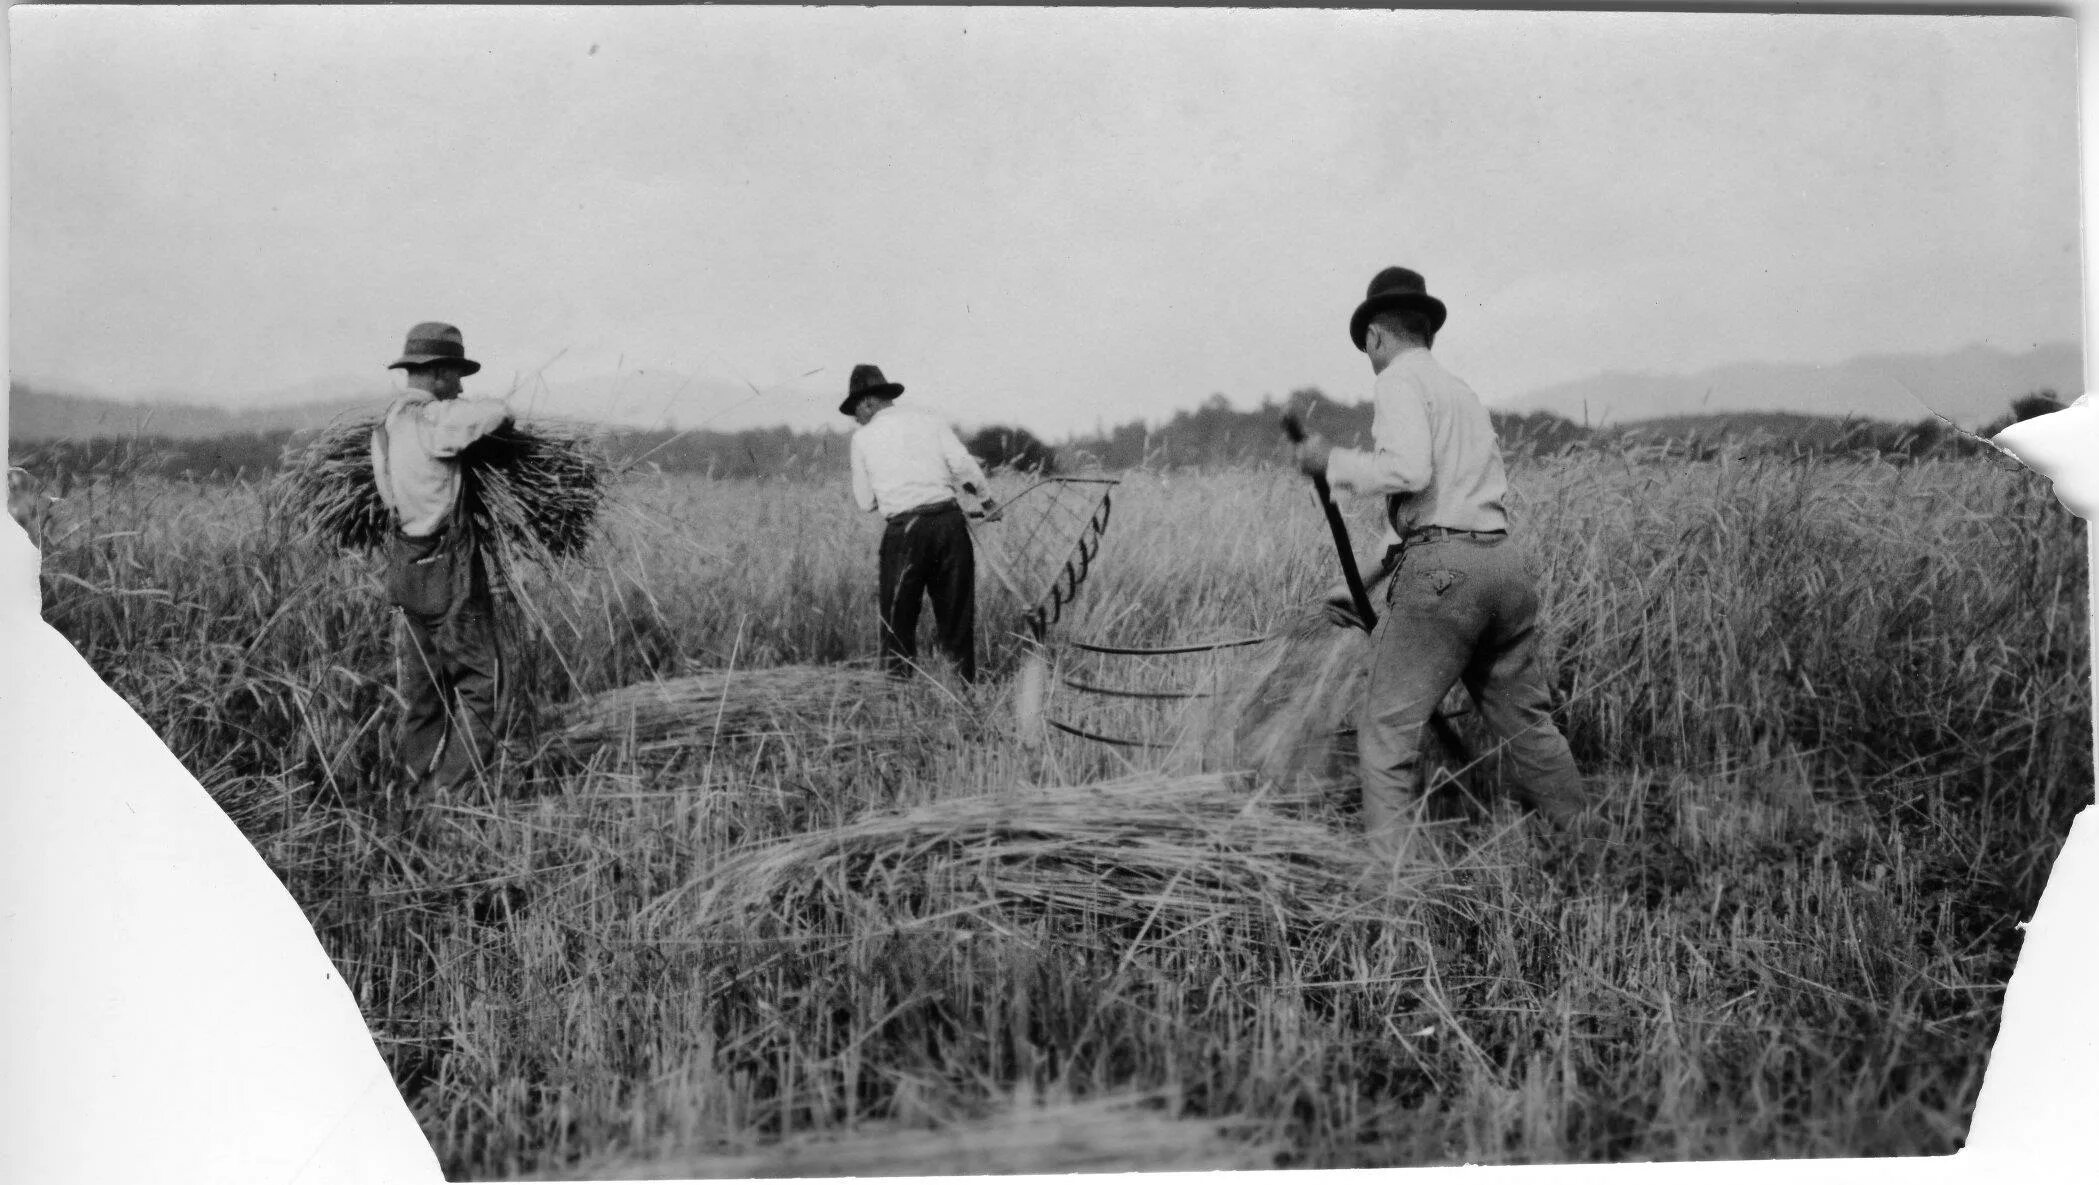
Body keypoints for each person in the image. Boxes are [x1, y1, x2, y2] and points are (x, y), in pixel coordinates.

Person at [1291, 268, 1591, 856]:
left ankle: (1391, 889)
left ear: (1377, 336)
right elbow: (1430, 509)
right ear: (1427, 328)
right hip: (1503, 568)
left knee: (1385, 735)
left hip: (1445, 579)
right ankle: (1590, 849)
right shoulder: (1460, 392)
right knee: (1529, 726)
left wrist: (1331, 461)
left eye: (1368, 347)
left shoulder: (1399, 381)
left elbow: (1408, 474)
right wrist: (1361, 585)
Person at [370, 322, 514, 805]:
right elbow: (496, 415)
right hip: (446, 568)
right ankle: (446, 794)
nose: (460, 386)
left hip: (406, 567)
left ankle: (407, 794)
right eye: (455, 375)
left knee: (425, 693)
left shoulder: (387, 425)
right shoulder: (430, 421)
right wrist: (483, 412)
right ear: (435, 373)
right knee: (485, 687)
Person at [843, 364, 1001, 682]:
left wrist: (898, 492)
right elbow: (962, 465)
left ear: (868, 403)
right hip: (949, 527)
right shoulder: (930, 421)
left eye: (855, 410)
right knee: (956, 618)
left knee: (897, 623)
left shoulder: (862, 439)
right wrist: (988, 501)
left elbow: (865, 502)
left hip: (904, 534)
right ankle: (963, 696)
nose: (854, 418)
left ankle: (900, 697)